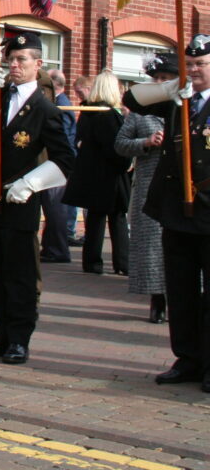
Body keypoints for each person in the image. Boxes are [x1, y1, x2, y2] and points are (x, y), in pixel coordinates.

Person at [0, 31, 74, 366]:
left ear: (38, 64)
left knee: (19, 274)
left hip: (19, 200)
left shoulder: (45, 109)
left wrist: (31, 183)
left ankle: (19, 338)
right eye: (11, 59)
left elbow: (65, 159)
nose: (15, 65)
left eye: (22, 59)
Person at [125, 35, 210, 391]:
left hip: (207, 210)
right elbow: (132, 99)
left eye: (201, 64)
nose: (194, 70)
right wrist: (171, 88)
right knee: (180, 289)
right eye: (189, 65)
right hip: (176, 209)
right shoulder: (179, 100)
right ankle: (187, 358)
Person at [116, 52, 176, 324]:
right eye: (157, 78)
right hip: (150, 184)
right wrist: (146, 142)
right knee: (153, 247)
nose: (161, 83)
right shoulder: (141, 111)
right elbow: (120, 144)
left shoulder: (187, 106)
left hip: (179, 185)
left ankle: (181, 298)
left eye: (166, 78)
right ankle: (157, 299)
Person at [64, 70, 130, 276]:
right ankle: (122, 262)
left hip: (91, 172)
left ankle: (92, 262)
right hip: (109, 174)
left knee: (95, 219)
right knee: (117, 218)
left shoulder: (88, 112)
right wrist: (126, 163)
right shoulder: (108, 115)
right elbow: (115, 148)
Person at [38, 68, 78, 263]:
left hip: (55, 163)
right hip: (52, 161)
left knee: (55, 209)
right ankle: (51, 248)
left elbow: (64, 136)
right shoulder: (58, 103)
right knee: (53, 209)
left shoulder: (61, 104)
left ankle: (58, 250)